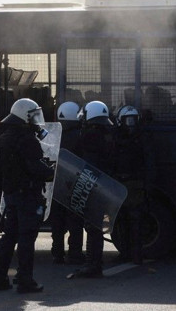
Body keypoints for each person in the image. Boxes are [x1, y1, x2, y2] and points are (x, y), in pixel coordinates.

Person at [0, 98, 54, 293]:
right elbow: (34, 167)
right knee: (27, 237)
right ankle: (25, 279)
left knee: (9, 237)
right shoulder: (27, 140)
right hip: (28, 194)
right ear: (25, 117)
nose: (36, 120)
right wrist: (51, 172)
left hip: (11, 194)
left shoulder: (4, 138)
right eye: (33, 116)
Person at [71, 100, 115, 278]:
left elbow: (88, 164)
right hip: (105, 187)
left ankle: (92, 265)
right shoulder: (109, 136)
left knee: (93, 227)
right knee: (95, 226)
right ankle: (95, 263)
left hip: (93, 187)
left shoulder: (89, 138)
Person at [49, 101, 85, 265]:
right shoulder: (80, 136)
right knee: (75, 221)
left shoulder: (54, 135)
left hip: (57, 184)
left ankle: (57, 253)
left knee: (57, 221)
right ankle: (75, 253)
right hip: (74, 184)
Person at [112, 105, 146, 265]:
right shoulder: (142, 138)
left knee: (126, 221)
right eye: (129, 120)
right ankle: (135, 255)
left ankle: (128, 254)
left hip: (125, 184)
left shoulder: (119, 139)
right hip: (132, 184)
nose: (131, 124)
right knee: (132, 221)